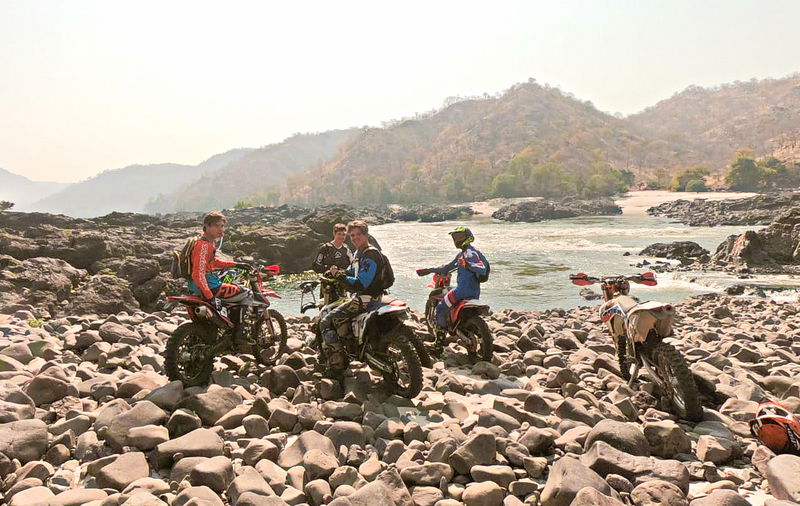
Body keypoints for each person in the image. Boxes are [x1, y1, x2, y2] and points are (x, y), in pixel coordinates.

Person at [319, 220, 384, 369]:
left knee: (326, 321)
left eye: (358, 234)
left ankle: (337, 367)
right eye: (352, 235)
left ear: (366, 235)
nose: (355, 238)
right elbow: (352, 271)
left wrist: (340, 277)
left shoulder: (370, 255)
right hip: (371, 297)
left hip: (365, 299)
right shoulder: (358, 253)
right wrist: (337, 272)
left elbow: (361, 283)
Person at [416, 227, 488, 331]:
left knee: (440, 308)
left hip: (461, 292)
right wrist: (429, 270)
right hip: (474, 292)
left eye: (460, 237)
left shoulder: (469, 253)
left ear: (468, 237)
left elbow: (482, 269)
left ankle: (439, 337)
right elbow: (447, 267)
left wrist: (468, 265)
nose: (457, 240)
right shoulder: (464, 254)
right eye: (455, 237)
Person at [188, 211, 251, 329]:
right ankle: (238, 332)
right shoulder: (204, 245)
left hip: (195, 286)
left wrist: (236, 264)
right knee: (246, 293)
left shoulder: (207, 242)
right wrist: (210, 297)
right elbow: (198, 274)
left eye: (222, 226)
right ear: (207, 226)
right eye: (217, 225)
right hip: (208, 286)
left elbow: (213, 263)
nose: (221, 229)